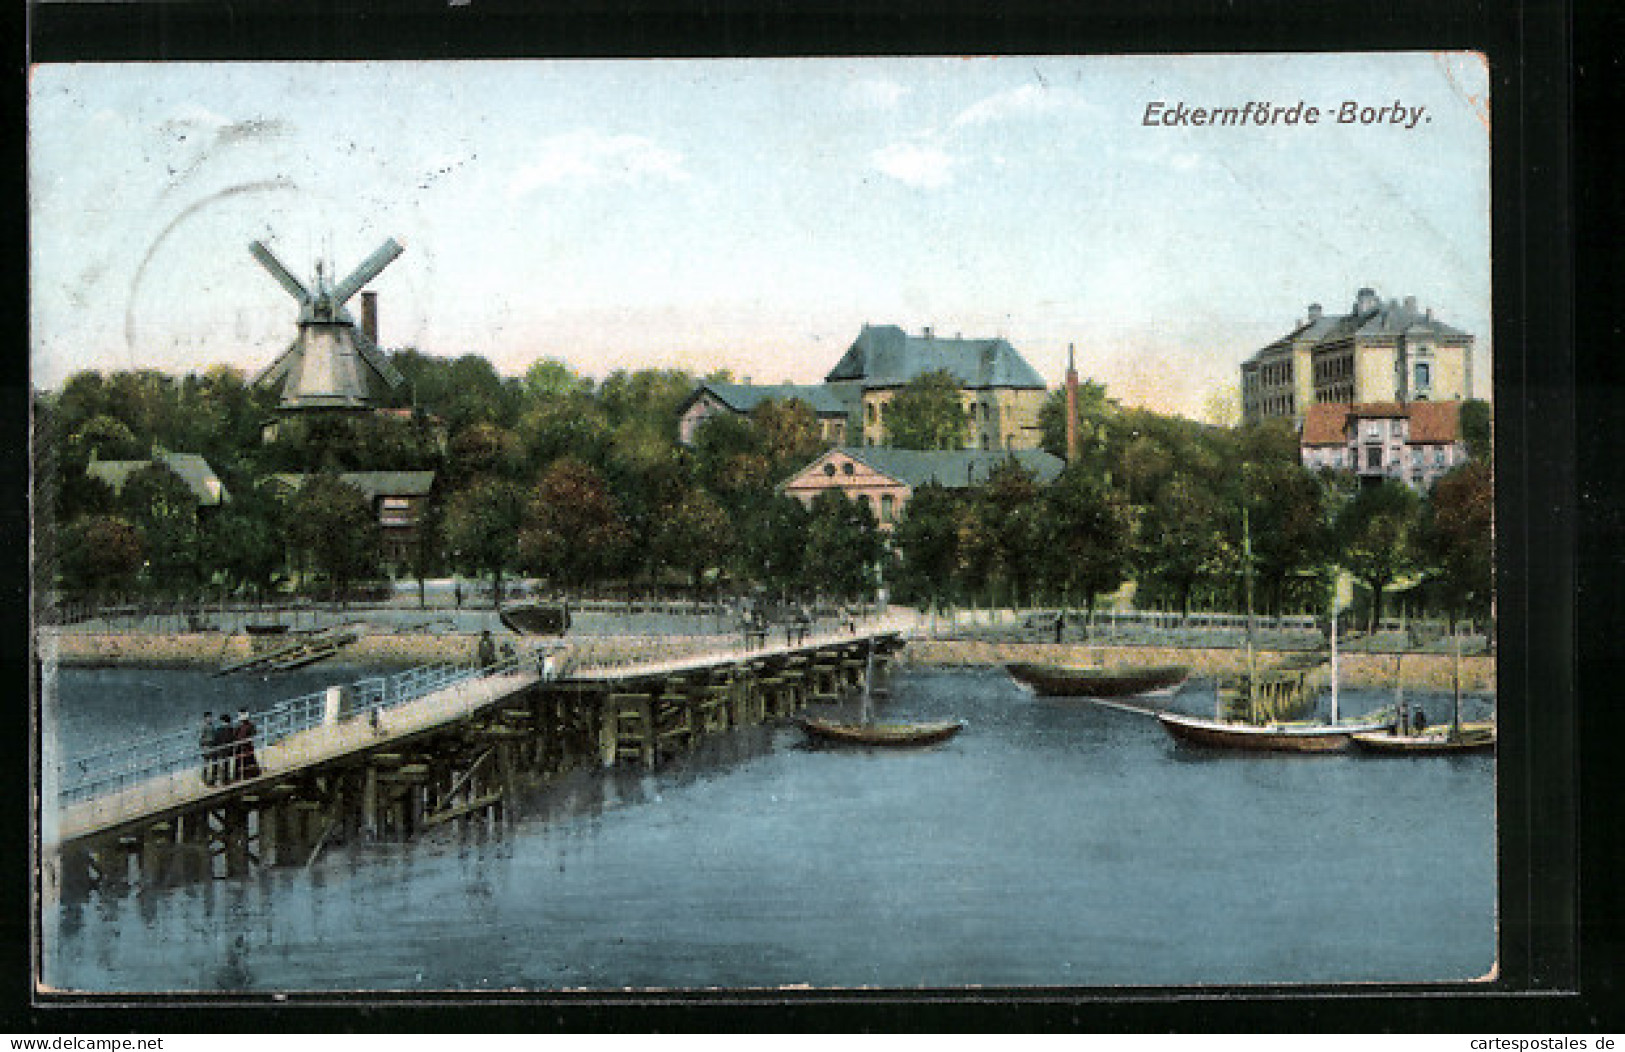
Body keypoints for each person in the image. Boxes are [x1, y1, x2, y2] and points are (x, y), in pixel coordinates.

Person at [233, 708, 262, 781]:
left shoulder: (247, 726)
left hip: (246, 746)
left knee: (248, 759)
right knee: (243, 760)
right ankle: (243, 775)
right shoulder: (239, 727)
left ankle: (249, 774)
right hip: (241, 746)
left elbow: (252, 734)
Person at [214, 713, 236, 784]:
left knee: (221, 764)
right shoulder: (231, 729)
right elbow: (232, 739)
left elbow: (216, 740)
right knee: (227, 764)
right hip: (228, 749)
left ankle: (222, 779)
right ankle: (226, 778)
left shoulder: (219, 730)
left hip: (221, 749)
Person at [199, 711, 217, 786]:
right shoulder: (203, 726)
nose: (210, 719)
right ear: (205, 718)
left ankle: (213, 778)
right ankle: (205, 778)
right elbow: (201, 738)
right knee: (206, 763)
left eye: (211, 717)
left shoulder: (212, 725)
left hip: (213, 746)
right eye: (208, 717)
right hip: (207, 747)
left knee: (214, 763)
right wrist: (203, 747)